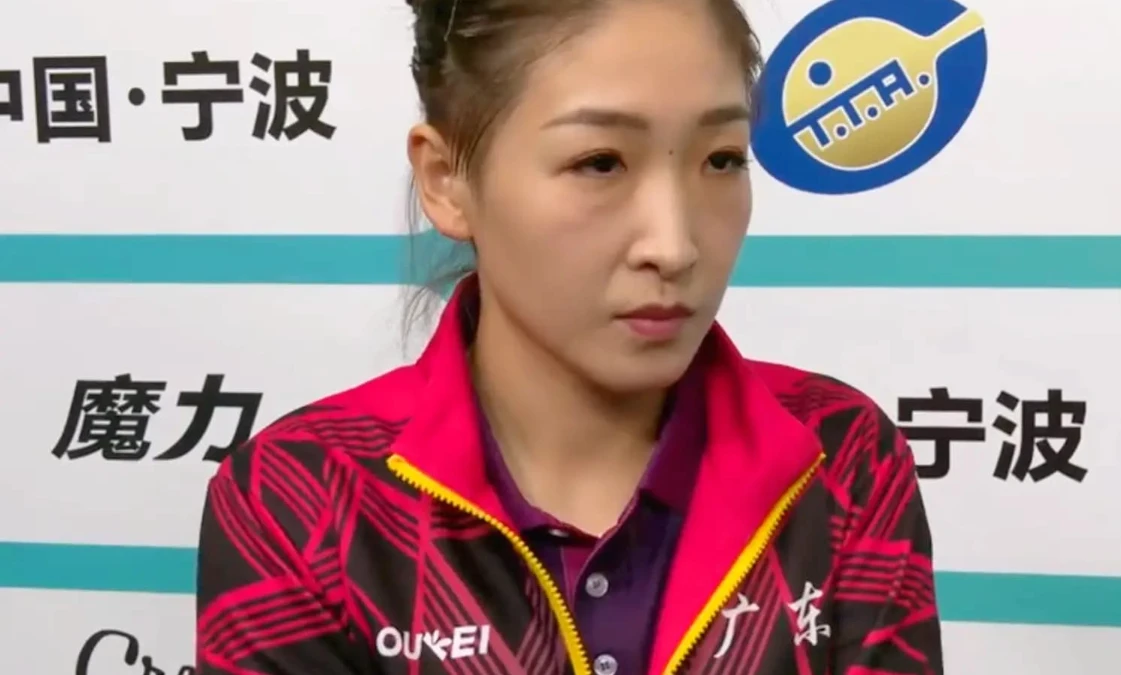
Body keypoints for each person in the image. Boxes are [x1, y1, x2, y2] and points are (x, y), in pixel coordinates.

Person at [194, 0, 943, 673]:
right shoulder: (297, 501)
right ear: (447, 177)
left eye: (722, 159)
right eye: (600, 162)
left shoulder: (842, 459)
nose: (675, 244)